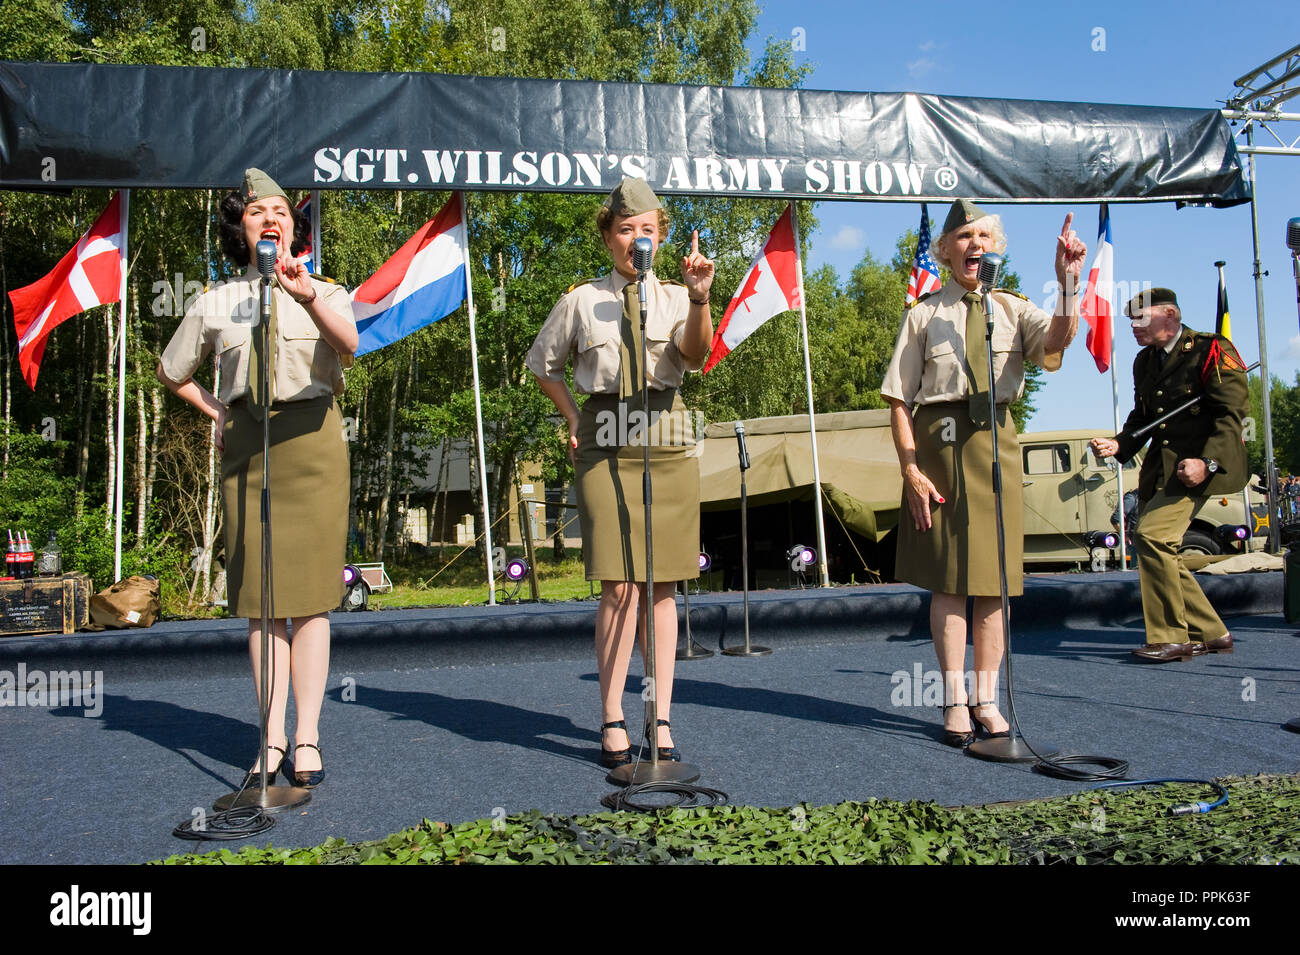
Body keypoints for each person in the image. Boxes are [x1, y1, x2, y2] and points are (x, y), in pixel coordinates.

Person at [158, 168, 358, 787]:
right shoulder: (215, 301)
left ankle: (307, 739)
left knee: (314, 602)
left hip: (314, 445)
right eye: (255, 212)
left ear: (295, 227)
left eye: (279, 210)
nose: (269, 218)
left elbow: (348, 344)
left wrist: (304, 296)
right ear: (240, 230)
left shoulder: (327, 289)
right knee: (262, 601)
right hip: (250, 446)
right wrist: (218, 411)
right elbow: (172, 370)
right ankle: (269, 741)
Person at [881, 198, 1086, 746]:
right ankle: (952, 700)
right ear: (945, 251)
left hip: (997, 443)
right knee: (950, 583)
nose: (975, 245)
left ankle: (987, 699)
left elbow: (1060, 341)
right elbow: (899, 398)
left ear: (995, 248)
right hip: (940, 445)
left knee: (994, 585)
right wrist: (910, 468)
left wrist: (1068, 284)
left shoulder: (1014, 309)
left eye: (983, 236)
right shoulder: (923, 313)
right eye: (963, 237)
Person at [526, 178, 714, 766]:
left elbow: (697, 356)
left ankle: (658, 717)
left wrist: (701, 296)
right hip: (605, 440)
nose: (638, 238)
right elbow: (544, 365)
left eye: (648, 230)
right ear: (609, 237)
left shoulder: (679, 296)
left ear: (660, 237)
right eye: (626, 228)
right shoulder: (582, 300)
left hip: (668, 435)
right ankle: (611, 717)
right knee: (620, 583)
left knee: (662, 587)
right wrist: (573, 416)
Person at [1090, 288, 1247, 662]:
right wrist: (1119, 444)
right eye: (1131, 320)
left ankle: (1171, 637)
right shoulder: (1145, 361)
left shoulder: (1211, 349)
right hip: (1163, 467)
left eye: (1141, 318)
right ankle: (1212, 632)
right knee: (1159, 546)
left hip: (1202, 467)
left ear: (1171, 315)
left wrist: (1206, 462)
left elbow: (1232, 415)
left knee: (1152, 536)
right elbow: (1143, 417)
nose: (1133, 327)